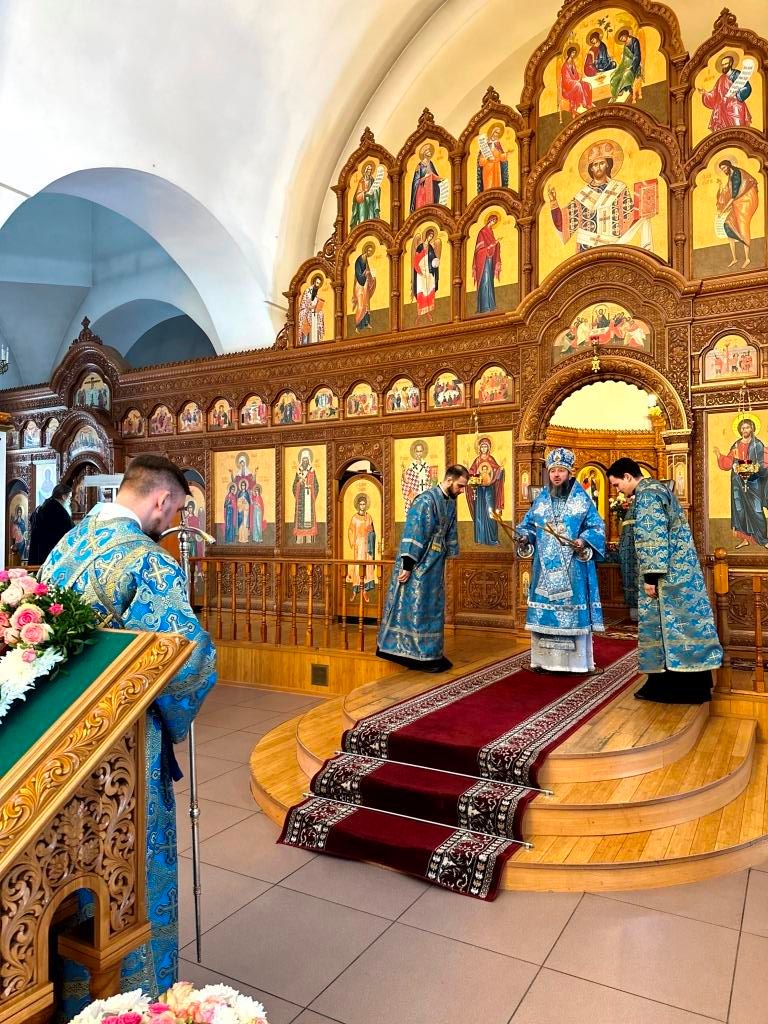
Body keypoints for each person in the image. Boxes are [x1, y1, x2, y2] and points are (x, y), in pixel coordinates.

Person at [39, 454, 216, 1014]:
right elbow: (185, 662)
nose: (175, 522)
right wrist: (184, 711)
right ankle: (136, 999)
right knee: (131, 867)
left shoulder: (67, 546)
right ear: (161, 500)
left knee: (72, 867)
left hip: (58, 747)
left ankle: (72, 998)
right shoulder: (149, 562)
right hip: (125, 752)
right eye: (178, 511)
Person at [607, 457, 723, 703]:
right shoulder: (658, 488)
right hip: (680, 572)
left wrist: (651, 576)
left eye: (617, 485)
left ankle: (673, 689)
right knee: (685, 628)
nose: (619, 491)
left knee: (670, 630)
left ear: (628, 476)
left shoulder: (647, 495)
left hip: (666, 578)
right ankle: (694, 686)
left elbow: (653, 537)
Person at [517, 448, 605, 672]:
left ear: (569, 473)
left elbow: (597, 527)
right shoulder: (541, 500)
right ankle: (543, 661)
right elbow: (528, 526)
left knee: (572, 612)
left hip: (572, 568)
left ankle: (574, 664)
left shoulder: (582, 500)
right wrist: (525, 536)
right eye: (553, 470)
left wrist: (583, 540)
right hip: (544, 570)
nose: (556, 475)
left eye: (561, 470)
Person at [377, 465, 469, 672]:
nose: (462, 491)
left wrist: (449, 552)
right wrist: (408, 565)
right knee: (416, 606)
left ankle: (430, 652)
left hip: (435, 563)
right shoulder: (425, 501)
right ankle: (411, 653)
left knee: (432, 606)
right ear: (449, 480)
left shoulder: (450, 501)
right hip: (418, 564)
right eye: (460, 486)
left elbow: (450, 530)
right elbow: (414, 532)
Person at [548, 140, 656, 253]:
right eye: (595, 164)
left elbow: (628, 219)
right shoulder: (582, 195)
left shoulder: (619, 188)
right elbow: (564, 224)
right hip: (586, 250)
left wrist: (645, 208)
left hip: (612, 248)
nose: (598, 167)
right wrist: (553, 202)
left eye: (602, 163)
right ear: (591, 168)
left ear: (607, 164)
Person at [715, 416, 768, 548]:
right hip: (738, 480)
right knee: (740, 509)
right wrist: (720, 456)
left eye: (747, 427)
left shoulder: (757, 444)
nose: (745, 430)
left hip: (753, 481)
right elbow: (729, 461)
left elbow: (763, 462)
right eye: (743, 428)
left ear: (752, 429)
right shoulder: (736, 444)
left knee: (756, 509)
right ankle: (745, 538)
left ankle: (763, 539)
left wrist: (755, 468)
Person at [716, 159, 758, 269]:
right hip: (737, 203)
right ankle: (734, 258)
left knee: (743, 228)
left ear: (728, 166)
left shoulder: (736, 175)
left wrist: (723, 210)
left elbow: (734, 196)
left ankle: (747, 258)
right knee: (727, 225)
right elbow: (729, 192)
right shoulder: (731, 176)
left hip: (745, 202)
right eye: (722, 169)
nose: (723, 170)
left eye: (724, 168)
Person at [698, 53, 753, 132]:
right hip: (723, 109)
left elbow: (747, 87)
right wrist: (705, 93)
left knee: (738, 129)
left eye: (726, 64)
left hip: (735, 107)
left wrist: (736, 94)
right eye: (722, 64)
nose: (724, 66)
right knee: (723, 133)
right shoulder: (721, 78)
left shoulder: (737, 74)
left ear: (730, 64)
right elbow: (715, 93)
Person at [465, 436, 505, 545]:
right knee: (480, 512)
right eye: (482, 447)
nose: (483, 449)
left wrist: (501, 470)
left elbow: (497, 470)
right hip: (479, 491)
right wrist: (468, 471)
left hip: (489, 490)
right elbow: (472, 473)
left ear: (489, 448)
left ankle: (492, 539)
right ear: (479, 448)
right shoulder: (477, 460)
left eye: (485, 447)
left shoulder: (491, 459)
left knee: (490, 511)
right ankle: (480, 538)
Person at [27, 482, 73, 565]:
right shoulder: (58, 510)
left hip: (39, 552)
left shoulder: (44, 506)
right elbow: (70, 531)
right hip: (49, 554)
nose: (70, 501)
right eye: (69, 497)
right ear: (63, 497)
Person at [347, 492, 377, 601]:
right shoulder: (354, 518)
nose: (362, 506)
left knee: (367, 567)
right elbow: (350, 531)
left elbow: (373, 532)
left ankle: (364, 591)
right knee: (358, 567)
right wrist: (353, 543)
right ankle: (355, 591)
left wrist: (371, 532)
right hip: (359, 545)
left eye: (364, 504)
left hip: (368, 545)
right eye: (361, 504)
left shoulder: (369, 517)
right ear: (358, 505)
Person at [473, 213, 502, 314]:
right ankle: (484, 307)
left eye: (495, 221)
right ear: (489, 220)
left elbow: (492, 245)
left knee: (489, 280)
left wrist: (496, 244)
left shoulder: (491, 232)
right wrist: (491, 246)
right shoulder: (482, 232)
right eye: (493, 220)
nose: (493, 223)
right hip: (483, 260)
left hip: (489, 259)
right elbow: (478, 250)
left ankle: (491, 305)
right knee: (485, 280)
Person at [411, 228, 441, 322]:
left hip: (429, 272)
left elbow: (434, 259)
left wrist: (435, 262)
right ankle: (419, 314)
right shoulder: (420, 246)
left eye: (432, 236)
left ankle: (428, 312)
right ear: (426, 235)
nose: (430, 238)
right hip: (420, 272)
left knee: (429, 291)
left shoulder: (431, 247)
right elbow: (416, 259)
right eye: (429, 236)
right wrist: (419, 270)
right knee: (421, 291)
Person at [401, 439, 437, 512]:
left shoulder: (427, 466)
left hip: (425, 493)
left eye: (420, 451)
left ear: (423, 452)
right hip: (415, 495)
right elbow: (406, 483)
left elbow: (432, 482)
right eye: (417, 451)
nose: (419, 453)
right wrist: (404, 474)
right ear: (414, 452)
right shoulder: (411, 468)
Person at [292, 447, 320, 543]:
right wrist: (299, 483)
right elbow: (294, 486)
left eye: (306, 459)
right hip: (301, 499)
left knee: (309, 520)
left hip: (309, 498)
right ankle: (299, 539)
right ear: (301, 460)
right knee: (300, 521)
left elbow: (316, 485)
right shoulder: (298, 472)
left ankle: (309, 540)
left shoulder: (312, 471)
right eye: (303, 459)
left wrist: (311, 489)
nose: (305, 461)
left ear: (309, 460)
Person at [610, 27, 642, 103]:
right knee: (615, 76)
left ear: (625, 35)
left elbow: (637, 56)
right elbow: (624, 58)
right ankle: (618, 92)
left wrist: (631, 67)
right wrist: (621, 67)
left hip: (635, 66)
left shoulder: (634, 41)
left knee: (626, 75)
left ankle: (623, 89)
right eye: (620, 39)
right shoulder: (625, 45)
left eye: (622, 38)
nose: (622, 40)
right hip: (625, 65)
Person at [409, 143, 443, 211]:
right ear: (424, 153)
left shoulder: (431, 163)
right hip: (422, 191)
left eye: (430, 151)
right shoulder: (419, 166)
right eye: (428, 151)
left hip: (430, 189)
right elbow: (416, 181)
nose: (430, 153)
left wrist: (440, 178)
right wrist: (425, 177)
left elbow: (433, 175)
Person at [476, 122, 509, 192]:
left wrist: (506, 154)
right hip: (487, 168)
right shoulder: (485, 145)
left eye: (498, 133)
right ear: (492, 132)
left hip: (497, 168)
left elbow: (502, 159)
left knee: (497, 187)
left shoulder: (499, 144)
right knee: (488, 187)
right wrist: (487, 159)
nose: (497, 135)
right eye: (496, 132)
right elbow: (481, 162)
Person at [560, 45, 593, 115]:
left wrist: (579, 77)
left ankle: (588, 103)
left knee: (588, 85)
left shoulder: (572, 63)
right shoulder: (565, 66)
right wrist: (576, 81)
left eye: (574, 53)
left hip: (574, 83)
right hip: (568, 87)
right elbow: (566, 80)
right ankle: (583, 104)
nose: (573, 54)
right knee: (578, 85)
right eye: (572, 53)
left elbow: (575, 74)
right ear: (569, 53)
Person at [353, 242, 376, 332]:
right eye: (368, 251)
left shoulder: (366, 261)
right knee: (361, 305)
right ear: (366, 250)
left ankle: (367, 323)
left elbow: (368, 272)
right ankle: (357, 325)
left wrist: (372, 278)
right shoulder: (359, 260)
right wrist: (364, 274)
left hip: (365, 285)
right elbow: (358, 274)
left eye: (371, 251)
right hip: (360, 285)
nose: (369, 253)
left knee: (366, 304)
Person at [350, 161, 382, 226]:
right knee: (362, 220)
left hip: (371, 202)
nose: (369, 171)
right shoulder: (361, 181)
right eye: (368, 170)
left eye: (371, 170)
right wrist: (365, 193)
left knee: (371, 218)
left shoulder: (372, 180)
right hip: (362, 202)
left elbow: (376, 189)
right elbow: (358, 194)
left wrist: (375, 190)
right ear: (365, 170)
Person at [297, 275, 326, 345]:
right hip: (307, 314)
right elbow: (305, 304)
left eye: (319, 284)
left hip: (314, 315)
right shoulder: (308, 291)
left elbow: (315, 303)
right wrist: (310, 307)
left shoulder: (316, 293)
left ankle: (315, 344)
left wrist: (318, 308)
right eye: (317, 283)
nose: (318, 285)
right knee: (306, 333)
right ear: (314, 282)